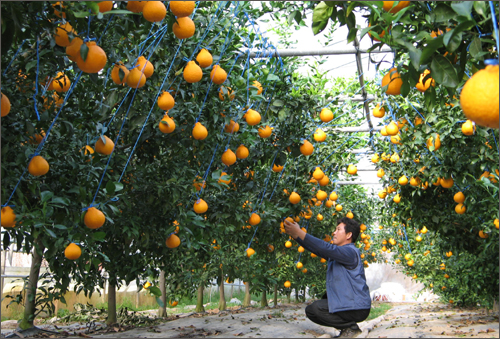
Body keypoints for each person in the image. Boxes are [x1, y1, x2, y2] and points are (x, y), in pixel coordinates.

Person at [283, 217, 371, 338]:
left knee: (316, 309)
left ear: (348, 235)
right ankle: (348, 327)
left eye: (338, 229)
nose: (334, 233)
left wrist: (300, 233)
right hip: (350, 305)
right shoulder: (338, 254)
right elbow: (318, 249)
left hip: (356, 307)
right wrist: (296, 236)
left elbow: (325, 248)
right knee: (312, 310)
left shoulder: (350, 252)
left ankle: (350, 328)